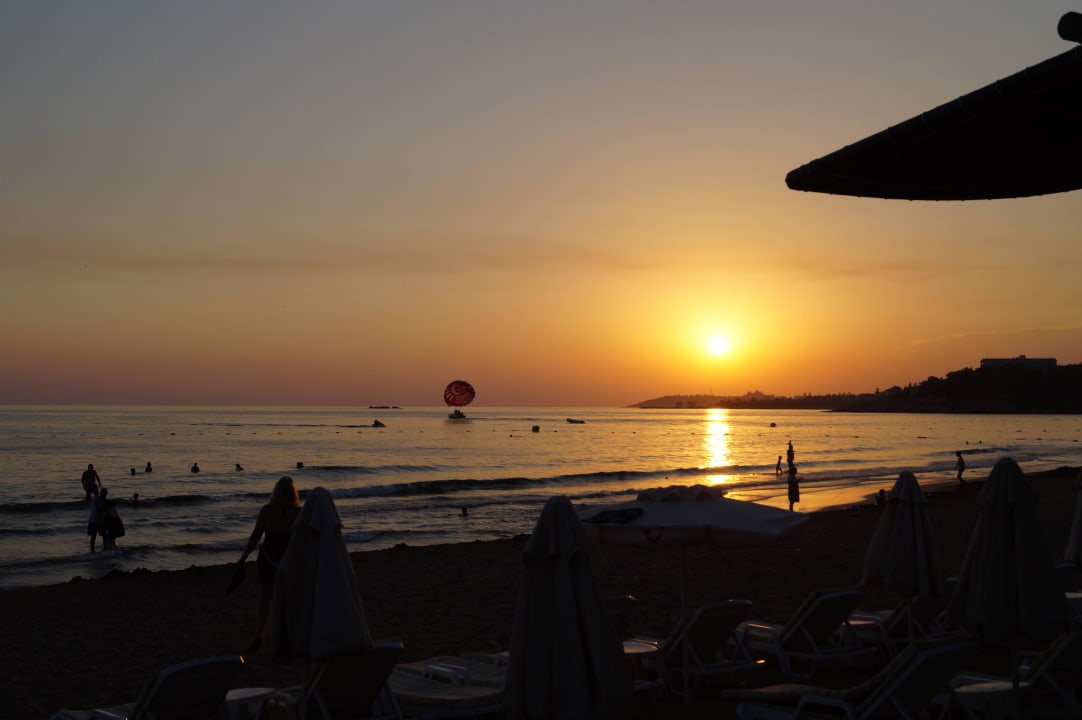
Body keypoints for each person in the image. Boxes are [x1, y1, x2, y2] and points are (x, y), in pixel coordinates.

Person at [236, 476, 302, 652]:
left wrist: (244, 557)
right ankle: (286, 634)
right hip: (288, 556)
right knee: (287, 597)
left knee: (266, 597)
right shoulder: (298, 512)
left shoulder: (266, 510)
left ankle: (261, 634)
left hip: (268, 555)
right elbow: (303, 539)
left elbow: (256, 535)